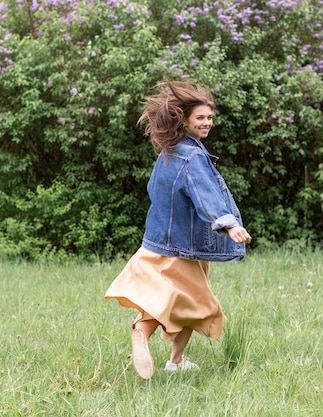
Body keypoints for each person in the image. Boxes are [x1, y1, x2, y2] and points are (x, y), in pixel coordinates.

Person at [104, 80, 252, 380]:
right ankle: (151, 341)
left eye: (210, 117)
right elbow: (206, 194)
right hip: (181, 248)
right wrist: (229, 224)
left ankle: (170, 356)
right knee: (196, 307)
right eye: (200, 117)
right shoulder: (193, 157)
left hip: (159, 243)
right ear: (184, 120)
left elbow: (156, 191)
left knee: (177, 303)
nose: (207, 122)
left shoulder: (169, 153)